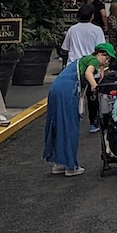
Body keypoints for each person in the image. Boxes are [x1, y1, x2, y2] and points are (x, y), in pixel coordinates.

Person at [42, 48, 86, 176]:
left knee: (56, 125)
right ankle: (70, 166)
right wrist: (95, 84)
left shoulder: (76, 63)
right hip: (67, 92)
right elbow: (89, 73)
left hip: (55, 90)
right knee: (70, 127)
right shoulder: (92, 61)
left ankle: (59, 163)